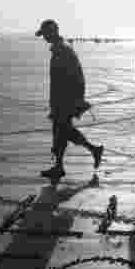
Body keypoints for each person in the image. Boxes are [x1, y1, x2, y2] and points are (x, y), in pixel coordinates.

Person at [35, 19, 102, 178]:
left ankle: (91, 151)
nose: (44, 38)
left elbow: (77, 77)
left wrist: (76, 100)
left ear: (52, 33)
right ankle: (61, 165)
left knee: (63, 131)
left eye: (45, 34)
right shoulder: (59, 50)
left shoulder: (63, 51)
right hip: (60, 100)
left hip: (65, 101)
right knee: (63, 132)